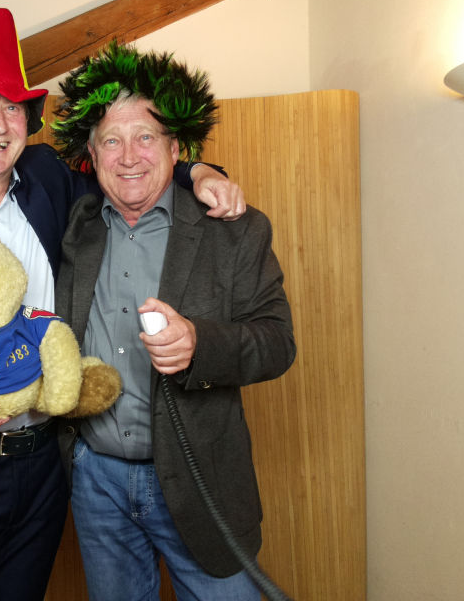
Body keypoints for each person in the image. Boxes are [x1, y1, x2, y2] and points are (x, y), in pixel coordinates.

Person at [0, 8, 247, 601]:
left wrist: (200, 171)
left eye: (12, 107)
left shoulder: (49, 180)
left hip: (41, 473)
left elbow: (132, 169)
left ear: (28, 121)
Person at [51, 42, 296, 600]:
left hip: (200, 477)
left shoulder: (235, 230)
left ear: (175, 146)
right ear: (92, 154)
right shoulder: (79, 225)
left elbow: (278, 342)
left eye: (146, 137)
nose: (128, 156)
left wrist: (200, 345)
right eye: (111, 140)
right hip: (96, 482)